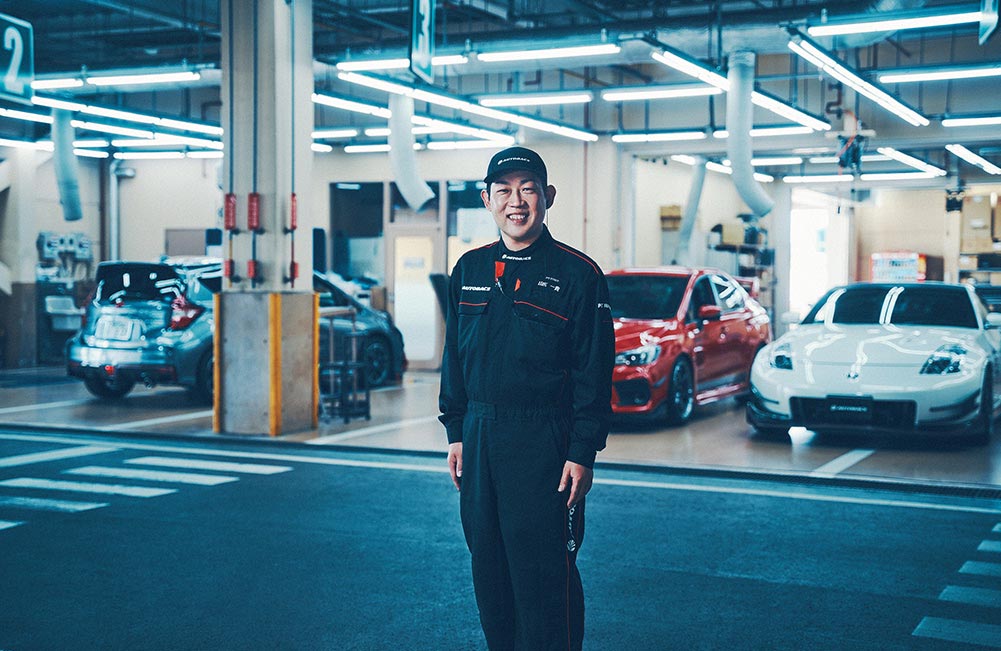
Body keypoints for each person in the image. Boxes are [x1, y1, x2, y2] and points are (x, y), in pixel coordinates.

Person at [439, 146, 614, 650]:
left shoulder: (580, 274)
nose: (516, 201)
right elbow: (456, 356)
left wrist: (583, 450)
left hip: (544, 442)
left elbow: (593, 371)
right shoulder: (469, 269)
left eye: (528, 189)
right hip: (479, 437)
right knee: (489, 570)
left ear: (548, 196)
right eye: (504, 191)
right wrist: (456, 432)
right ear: (487, 200)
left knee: (544, 576)